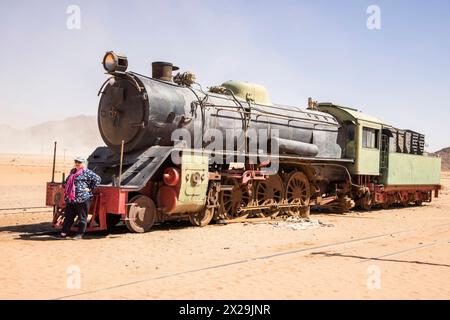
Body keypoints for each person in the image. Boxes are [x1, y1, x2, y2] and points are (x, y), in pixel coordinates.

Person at [54, 156, 101, 240]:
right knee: (68, 216)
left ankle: (79, 234)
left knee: (82, 217)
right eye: (76, 162)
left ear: (83, 164)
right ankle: (64, 233)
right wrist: (64, 185)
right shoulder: (73, 171)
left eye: (79, 162)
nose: (77, 164)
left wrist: (90, 188)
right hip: (71, 198)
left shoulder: (87, 172)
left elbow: (97, 179)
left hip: (82, 198)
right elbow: (68, 180)